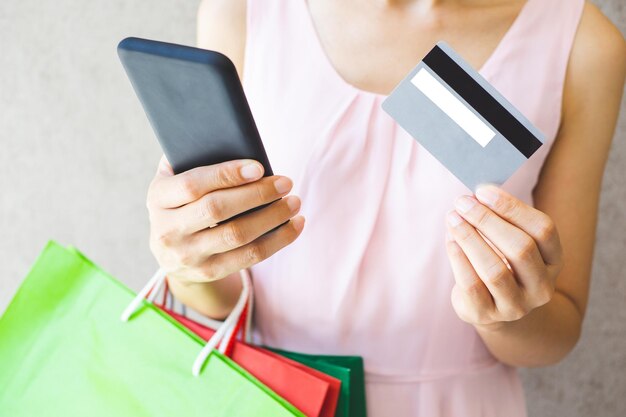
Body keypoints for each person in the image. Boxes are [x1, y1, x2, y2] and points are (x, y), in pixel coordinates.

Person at [146, 0, 626, 415]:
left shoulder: (583, 44)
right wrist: (188, 266)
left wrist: (509, 310)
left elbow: (559, 330)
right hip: (270, 394)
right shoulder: (248, 10)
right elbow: (226, 298)